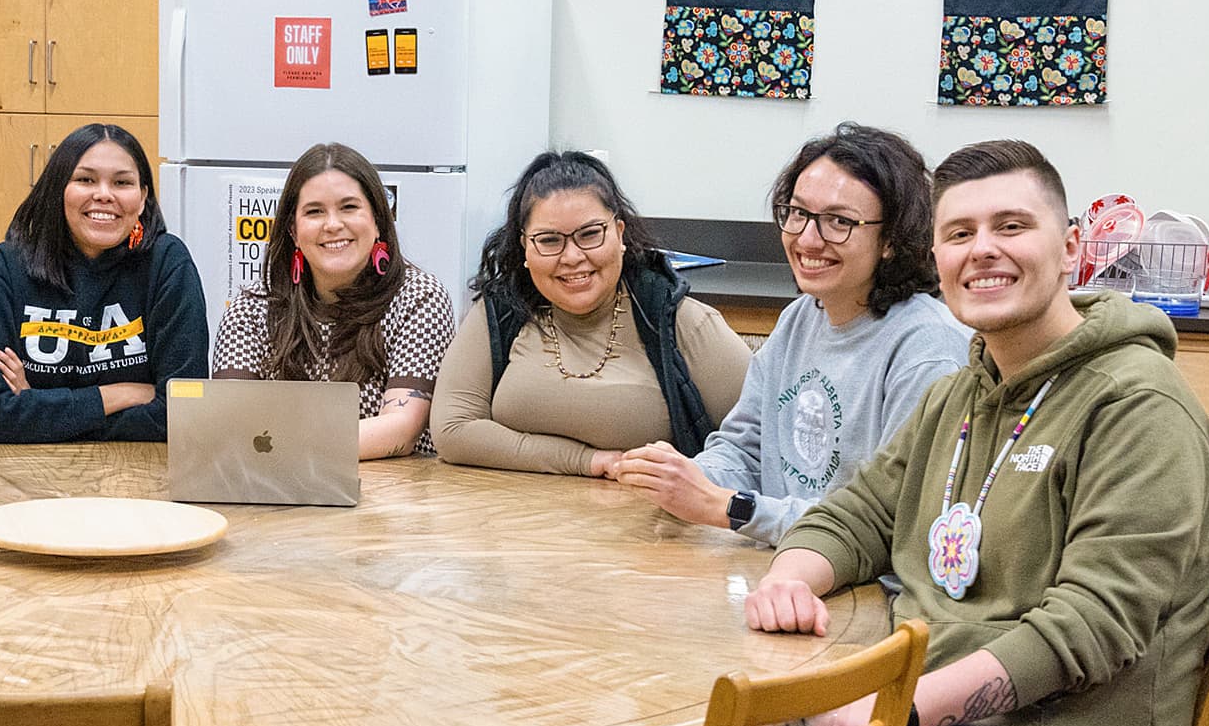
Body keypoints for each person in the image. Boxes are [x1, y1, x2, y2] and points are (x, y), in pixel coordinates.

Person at [745, 139, 1209, 726]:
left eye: (1011, 226)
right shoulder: (960, 393)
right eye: (960, 232)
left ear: (1070, 247)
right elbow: (860, 513)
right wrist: (790, 579)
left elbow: (1091, 626)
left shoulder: (1140, 406)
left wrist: (887, 709)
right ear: (934, 254)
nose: (984, 251)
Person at [616, 124, 969, 544]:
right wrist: (684, 478)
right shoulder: (801, 317)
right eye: (798, 213)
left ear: (891, 239)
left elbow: (892, 523)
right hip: (785, 557)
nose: (807, 239)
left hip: (868, 587)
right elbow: (745, 448)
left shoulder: (928, 348)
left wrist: (725, 506)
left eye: (838, 221)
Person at [430, 150, 751, 475]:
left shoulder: (676, 318)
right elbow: (453, 430)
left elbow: (761, 439)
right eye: (549, 240)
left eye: (590, 234)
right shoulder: (501, 311)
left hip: (648, 523)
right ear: (525, 247)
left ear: (619, 233)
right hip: (505, 521)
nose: (571, 256)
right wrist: (589, 461)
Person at [211, 143, 455, 458]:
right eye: (314, 212)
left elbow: (401, 430)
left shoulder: (420, 298)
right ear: (293, 232)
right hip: (279, 491)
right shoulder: (251, 308)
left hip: (393, 494)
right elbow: (226, 424)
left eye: (349, 207)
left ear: (379, 220)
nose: (332, 224)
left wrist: (282, 445)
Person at [0, 123, 208, 442]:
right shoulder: (6, 268)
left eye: (122, 182)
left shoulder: (167, 263)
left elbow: (183, 413)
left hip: (140, 475)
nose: (104, 195)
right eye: (85, 180)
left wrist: (40, 408)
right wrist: (123, 394)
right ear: (58, 189)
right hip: (29, 475)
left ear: (142, 197)